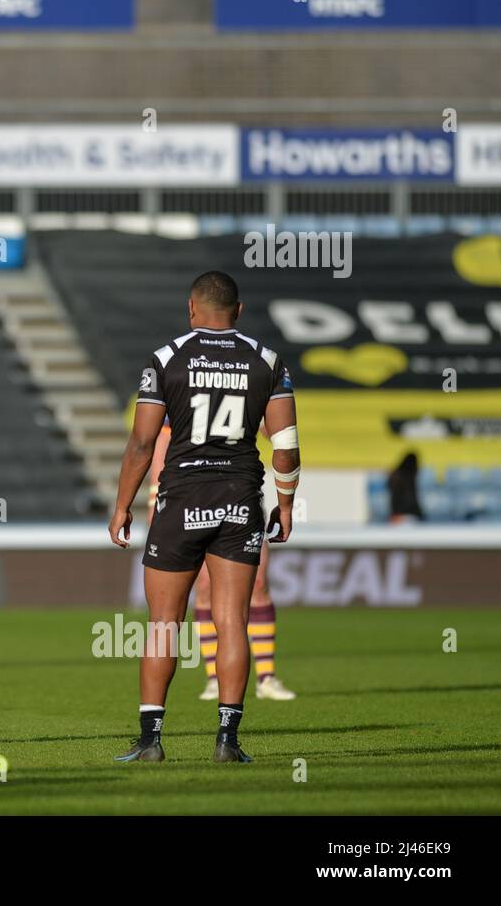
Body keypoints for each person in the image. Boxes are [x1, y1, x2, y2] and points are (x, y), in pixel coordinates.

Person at [109, 272, 300, 764]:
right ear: (239, 311)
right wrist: (285, 504)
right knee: (232, 620)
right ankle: (227, 741)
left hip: (180, 499)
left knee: (162, 625)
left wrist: (122, 505)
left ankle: (151, 741)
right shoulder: (268, 361)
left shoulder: (167, 358)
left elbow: (142, 443)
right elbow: (285, 448)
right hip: (240, 498)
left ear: (191, 308)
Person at [148, 422, 296, 701]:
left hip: (238, 488)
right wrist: (154, 496)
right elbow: (160, 437)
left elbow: (276, 430)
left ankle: (266, 677)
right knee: (204, 586)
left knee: (259, 581)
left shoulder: (248, 379)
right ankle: (215, 678)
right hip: (192, 491)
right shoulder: (185, 380)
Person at [388, 452, 424, 523]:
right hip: (403, 515)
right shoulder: (404, 477)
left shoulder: (396, 475)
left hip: (401, 514)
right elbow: (399, 498)